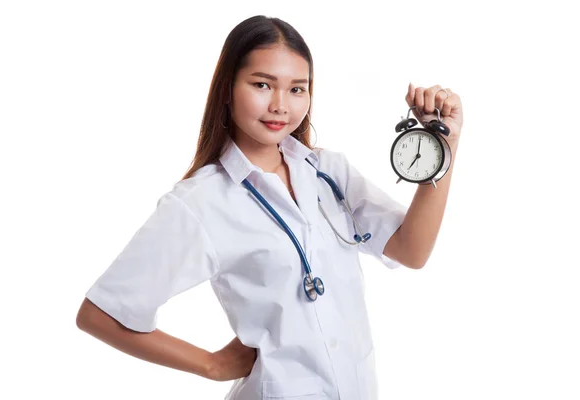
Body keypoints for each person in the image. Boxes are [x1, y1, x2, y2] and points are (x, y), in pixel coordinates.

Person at [75, 15, 463, 400]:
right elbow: (100, 314)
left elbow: (411, 251)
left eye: (297, 89)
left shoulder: (328, 172)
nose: (280, 106)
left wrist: (441, 145)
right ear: (227, 88)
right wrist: (212, 365)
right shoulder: (201, 202)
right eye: (262, 84)